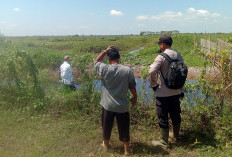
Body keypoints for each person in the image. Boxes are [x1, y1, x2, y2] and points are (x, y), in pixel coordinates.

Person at [94, 45, 137, 156]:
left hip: (107, 105)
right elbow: (132, 87)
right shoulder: (127, 70)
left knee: (106, 125)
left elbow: (96, 62)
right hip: (122, 106)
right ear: (119, 57)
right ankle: (126, 150)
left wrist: (105, 51)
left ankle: (106, 145)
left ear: (108, 59)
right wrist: (134, 98)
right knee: (124, 127)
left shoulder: (104, 69)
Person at [149, 35, 185, 149]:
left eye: (160, 44)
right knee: (175, 115)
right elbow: (182, 74)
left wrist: (153, 84)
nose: (159, 46)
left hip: (163, 93)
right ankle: (175, 136)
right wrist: (181, 90)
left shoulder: (161, 56)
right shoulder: (179, 56)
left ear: (163, 44)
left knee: (163, 116)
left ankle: (164, 142)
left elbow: (151, 71)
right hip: (176, 92)